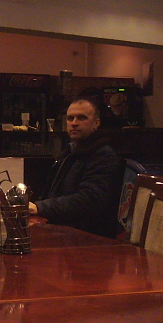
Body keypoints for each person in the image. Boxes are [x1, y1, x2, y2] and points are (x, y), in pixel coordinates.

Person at [29, 97, 125, 238]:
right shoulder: (71, 151)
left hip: (88, 238)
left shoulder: (103, 155)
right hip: (63, 231)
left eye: (81, 118)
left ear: (96, 123)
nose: (74, 123)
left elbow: (89, 201)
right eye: (70, 118)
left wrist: (40, 207)